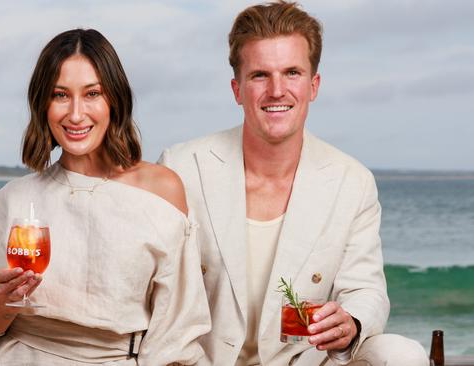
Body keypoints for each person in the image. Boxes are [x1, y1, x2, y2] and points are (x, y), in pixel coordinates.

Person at [159, 2, 428, 365]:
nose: (276, 90)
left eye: (292, 73)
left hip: (305, 361)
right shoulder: (182, 168)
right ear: (237, 89)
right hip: (203, 362)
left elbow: (366, 290)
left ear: (313, 85)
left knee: (402, 354)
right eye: (259, 75)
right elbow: (157, 294)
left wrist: (350, 322)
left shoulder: (352, 181)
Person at [0, 28, 210, 365]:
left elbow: (177, 334)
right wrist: (8, 300)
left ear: (114, 99)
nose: (75, 113)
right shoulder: (14, 198)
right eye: (60, 95)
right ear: (43, 103)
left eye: (92, 94)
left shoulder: (162, 191)